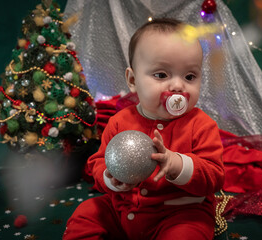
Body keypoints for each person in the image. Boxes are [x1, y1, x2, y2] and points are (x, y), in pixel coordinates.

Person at [63, 18, 224, 240]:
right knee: (86, 213)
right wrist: (111, 178)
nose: (178, 86)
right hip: (123, 208)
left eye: (190, 76)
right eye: (161, 75)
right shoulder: (119, 122)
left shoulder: (201, 124)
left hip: (180, 213)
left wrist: (177, 164)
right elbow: (97, 163)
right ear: (132, 80)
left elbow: (214, 177)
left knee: (188, 233)